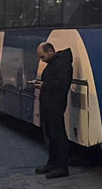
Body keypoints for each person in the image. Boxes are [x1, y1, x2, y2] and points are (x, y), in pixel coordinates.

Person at [30, 42, 73, 179]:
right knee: (50, 133)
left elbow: (62, 83)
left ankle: (61, 166)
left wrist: (45, 85)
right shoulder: (53, 63)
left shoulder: (62, 63)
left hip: (55, 103)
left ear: (50, 51)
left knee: (57, 134)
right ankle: (52, 162)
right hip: (48, 103)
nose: (41, 60)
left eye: (42, 56)